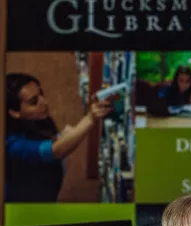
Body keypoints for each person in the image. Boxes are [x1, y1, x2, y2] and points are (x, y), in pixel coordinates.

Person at [6, 73, 113, 202]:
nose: (44, 102)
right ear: (14, 112)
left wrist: (62, 136)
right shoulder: (11, 143)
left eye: (41, 94)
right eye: (34, 102)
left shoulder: (37, 120)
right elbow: (55, 151)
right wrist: (90, 118)